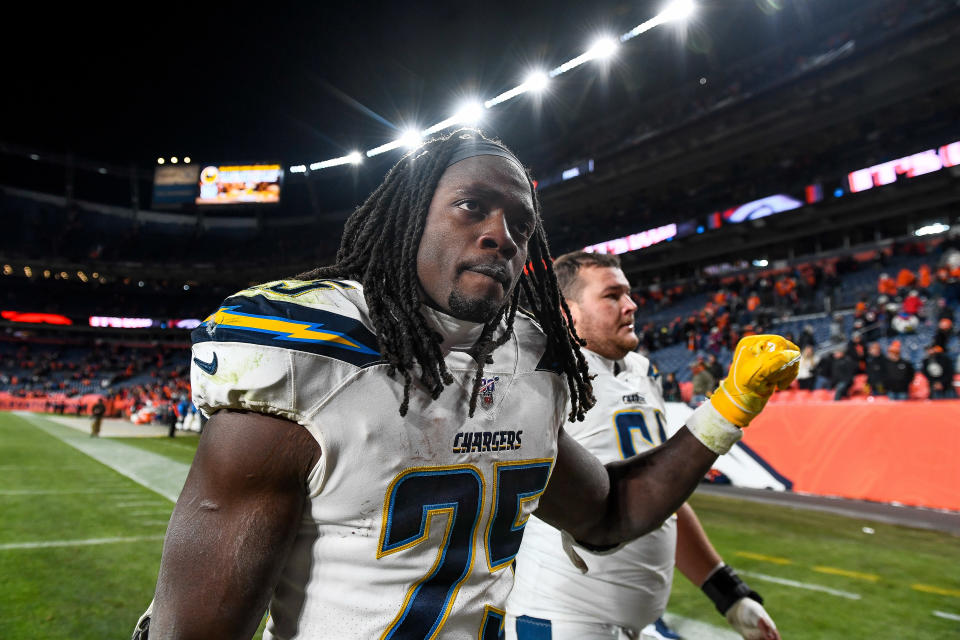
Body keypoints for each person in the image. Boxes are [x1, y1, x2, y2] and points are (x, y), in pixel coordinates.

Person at [135, 130, 798, 639]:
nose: (500, 236)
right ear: (409, 217)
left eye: (520, 223)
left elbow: (607, 516)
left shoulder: (529, 366)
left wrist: (728, 410)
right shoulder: (315, 354)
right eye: (471, 207)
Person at [506, 251, 780, 640]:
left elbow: (661, 495)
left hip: (630, 624)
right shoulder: (543, 374)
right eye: (612, 295)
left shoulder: (640, 371)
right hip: (562, 617)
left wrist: (729, 594)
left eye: (629, 293)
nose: (631, 305)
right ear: (566, 312)